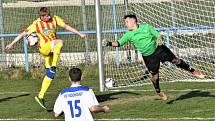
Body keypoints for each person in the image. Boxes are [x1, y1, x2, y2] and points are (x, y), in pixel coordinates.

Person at [102, 14, 205, 100]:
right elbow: (119, 43)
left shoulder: (146, 27)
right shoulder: (129, 34)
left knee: (175, 60)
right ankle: (158, 91)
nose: (125, 24)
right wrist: (109, 43)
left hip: (159, 49)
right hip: (149, 57)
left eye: (127, 22)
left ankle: (193, 71)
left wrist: (160, 38)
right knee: (155, 76)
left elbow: (157, 34)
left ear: (134, 21)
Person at [5, 7, 86, 109]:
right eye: (44, 16)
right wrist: (11, 43)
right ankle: (54, 66)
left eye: (48, 15)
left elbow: (67, 27)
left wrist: (79, 34)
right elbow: (23, 34)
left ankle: (40, 96)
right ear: (41, 16)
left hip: (51, 50)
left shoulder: (55, 19)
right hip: (44, 48)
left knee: (50, 75)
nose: (47, 17)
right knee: (60, 42)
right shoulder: (36, 24)